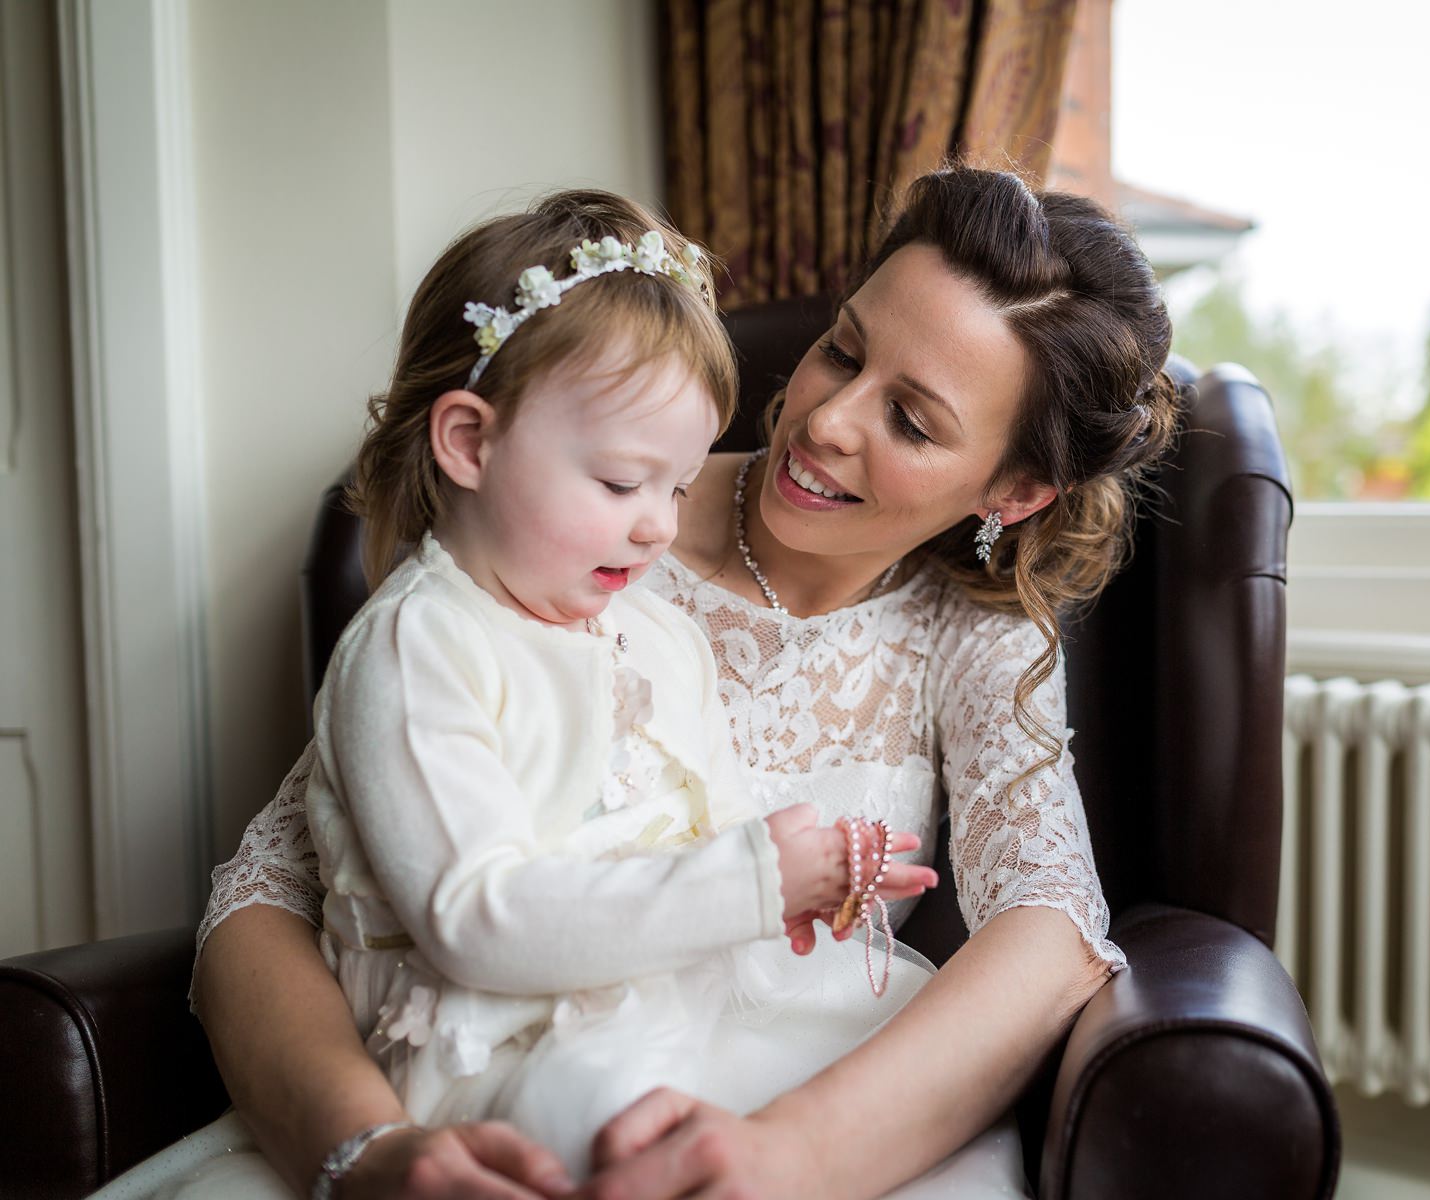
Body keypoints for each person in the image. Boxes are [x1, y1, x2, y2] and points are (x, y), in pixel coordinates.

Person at [155, 166, 1184, 1199]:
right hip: (498, 1080)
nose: (826, 419)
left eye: (911, 421)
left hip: (778, 1078)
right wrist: (369, 1152)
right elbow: (269, 895)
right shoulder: (567, 533)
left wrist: (797, 1153)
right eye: (844, 349)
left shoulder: (974, 635)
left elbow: (1050, 930)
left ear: (1011, 490)